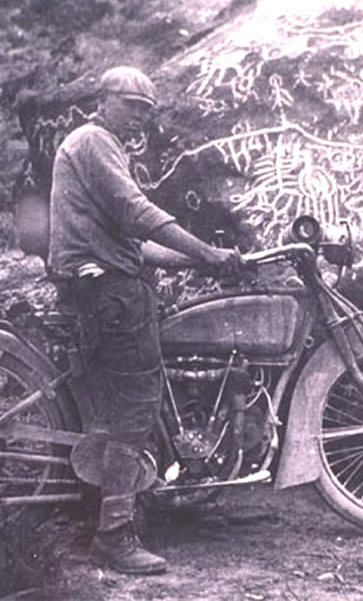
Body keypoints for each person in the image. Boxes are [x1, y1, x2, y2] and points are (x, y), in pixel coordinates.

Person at [48, 65, 243, 575]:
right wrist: (203, 249)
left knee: (129, 402)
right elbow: (137, 213)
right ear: (104, 101)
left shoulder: (100, 147)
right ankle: (113, 533)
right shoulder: (94, 141)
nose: (140, 118)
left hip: (109, 285)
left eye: (147, 111)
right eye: (132, 105)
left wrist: (209, 258)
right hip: (108, 293)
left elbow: (137, 245)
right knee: (134, 405)